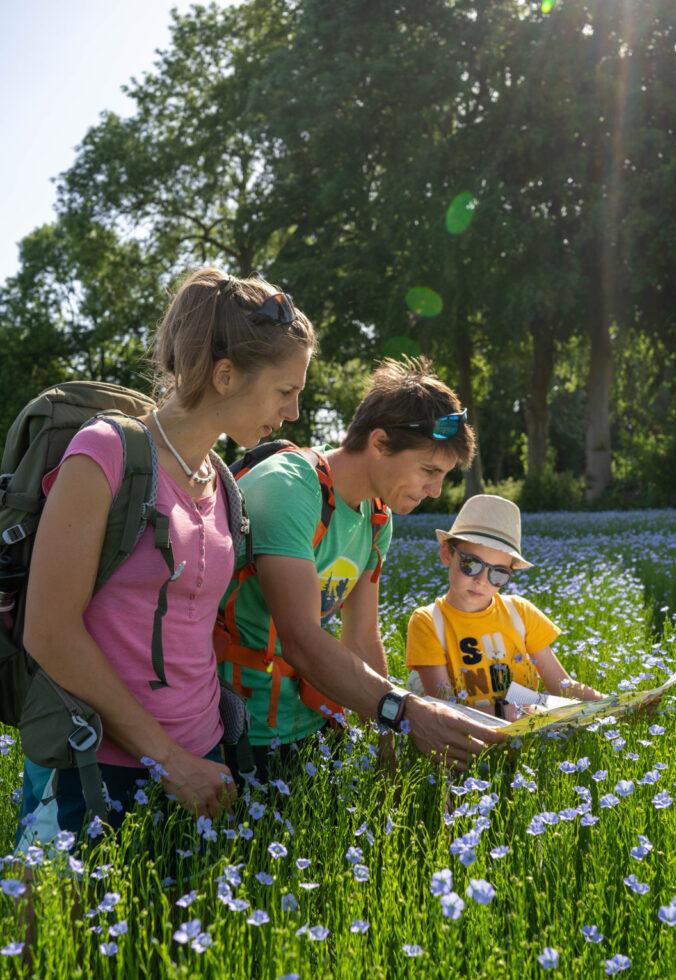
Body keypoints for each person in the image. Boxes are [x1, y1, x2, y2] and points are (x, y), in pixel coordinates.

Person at [16, 268, 317, 846]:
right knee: (58, 937)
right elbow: (48, 632)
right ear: (225, 376)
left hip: (204, 765)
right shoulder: (105, 452)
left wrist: (198, 755)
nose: (295, 413)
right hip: (92, 765)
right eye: (286, 390)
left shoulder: (224, 479)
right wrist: (168, 760)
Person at [215, 357, 506, 779]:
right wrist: (404, 711)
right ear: (381, 442)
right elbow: (300, 640)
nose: (435, 490)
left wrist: (387, 748)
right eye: (428, 470)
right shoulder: (291, 487)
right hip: (241, 729)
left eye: (443, 475)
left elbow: (363, 638)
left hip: (313, 719)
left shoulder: (376, 518)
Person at [405, 494, 604, 718]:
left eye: (498, 573)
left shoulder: (520, 612)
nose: (481, 580)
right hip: (467, 742)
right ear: (446, 554)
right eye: (471, 564)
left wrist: (613, 704)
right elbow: (442, 711)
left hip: (527, 732)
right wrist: (506, 712)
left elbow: (561, 686)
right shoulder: (428, 621)